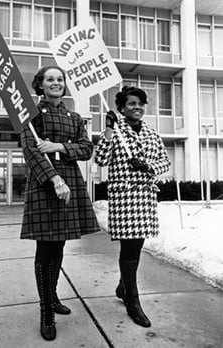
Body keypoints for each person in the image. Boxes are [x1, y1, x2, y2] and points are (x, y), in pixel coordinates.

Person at [20, 65, 100, 341]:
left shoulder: (74, 117)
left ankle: (52, 296)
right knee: (46, 247)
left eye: (60, 79)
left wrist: (59, 147)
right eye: (49, 79)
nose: (56, 83)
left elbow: (87, 149)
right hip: (46, 185)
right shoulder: (30, 116)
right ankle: (46, 311)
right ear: (40, 85)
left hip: (70, 184)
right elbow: (30, 150)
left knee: (61, 243)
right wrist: (54, 179)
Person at [94, 86, 171, 328]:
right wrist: (107, 130)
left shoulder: (151, 132)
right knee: (130, 248)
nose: (136, 107)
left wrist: (147, 166)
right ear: (121, 108)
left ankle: (122, 286)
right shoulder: (115, 132)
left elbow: (164, 161)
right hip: (125, 197)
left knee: (136, 247)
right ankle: (132, 300)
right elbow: (100, 159)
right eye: (131, 104)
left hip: (145, 197)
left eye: (140, 103)